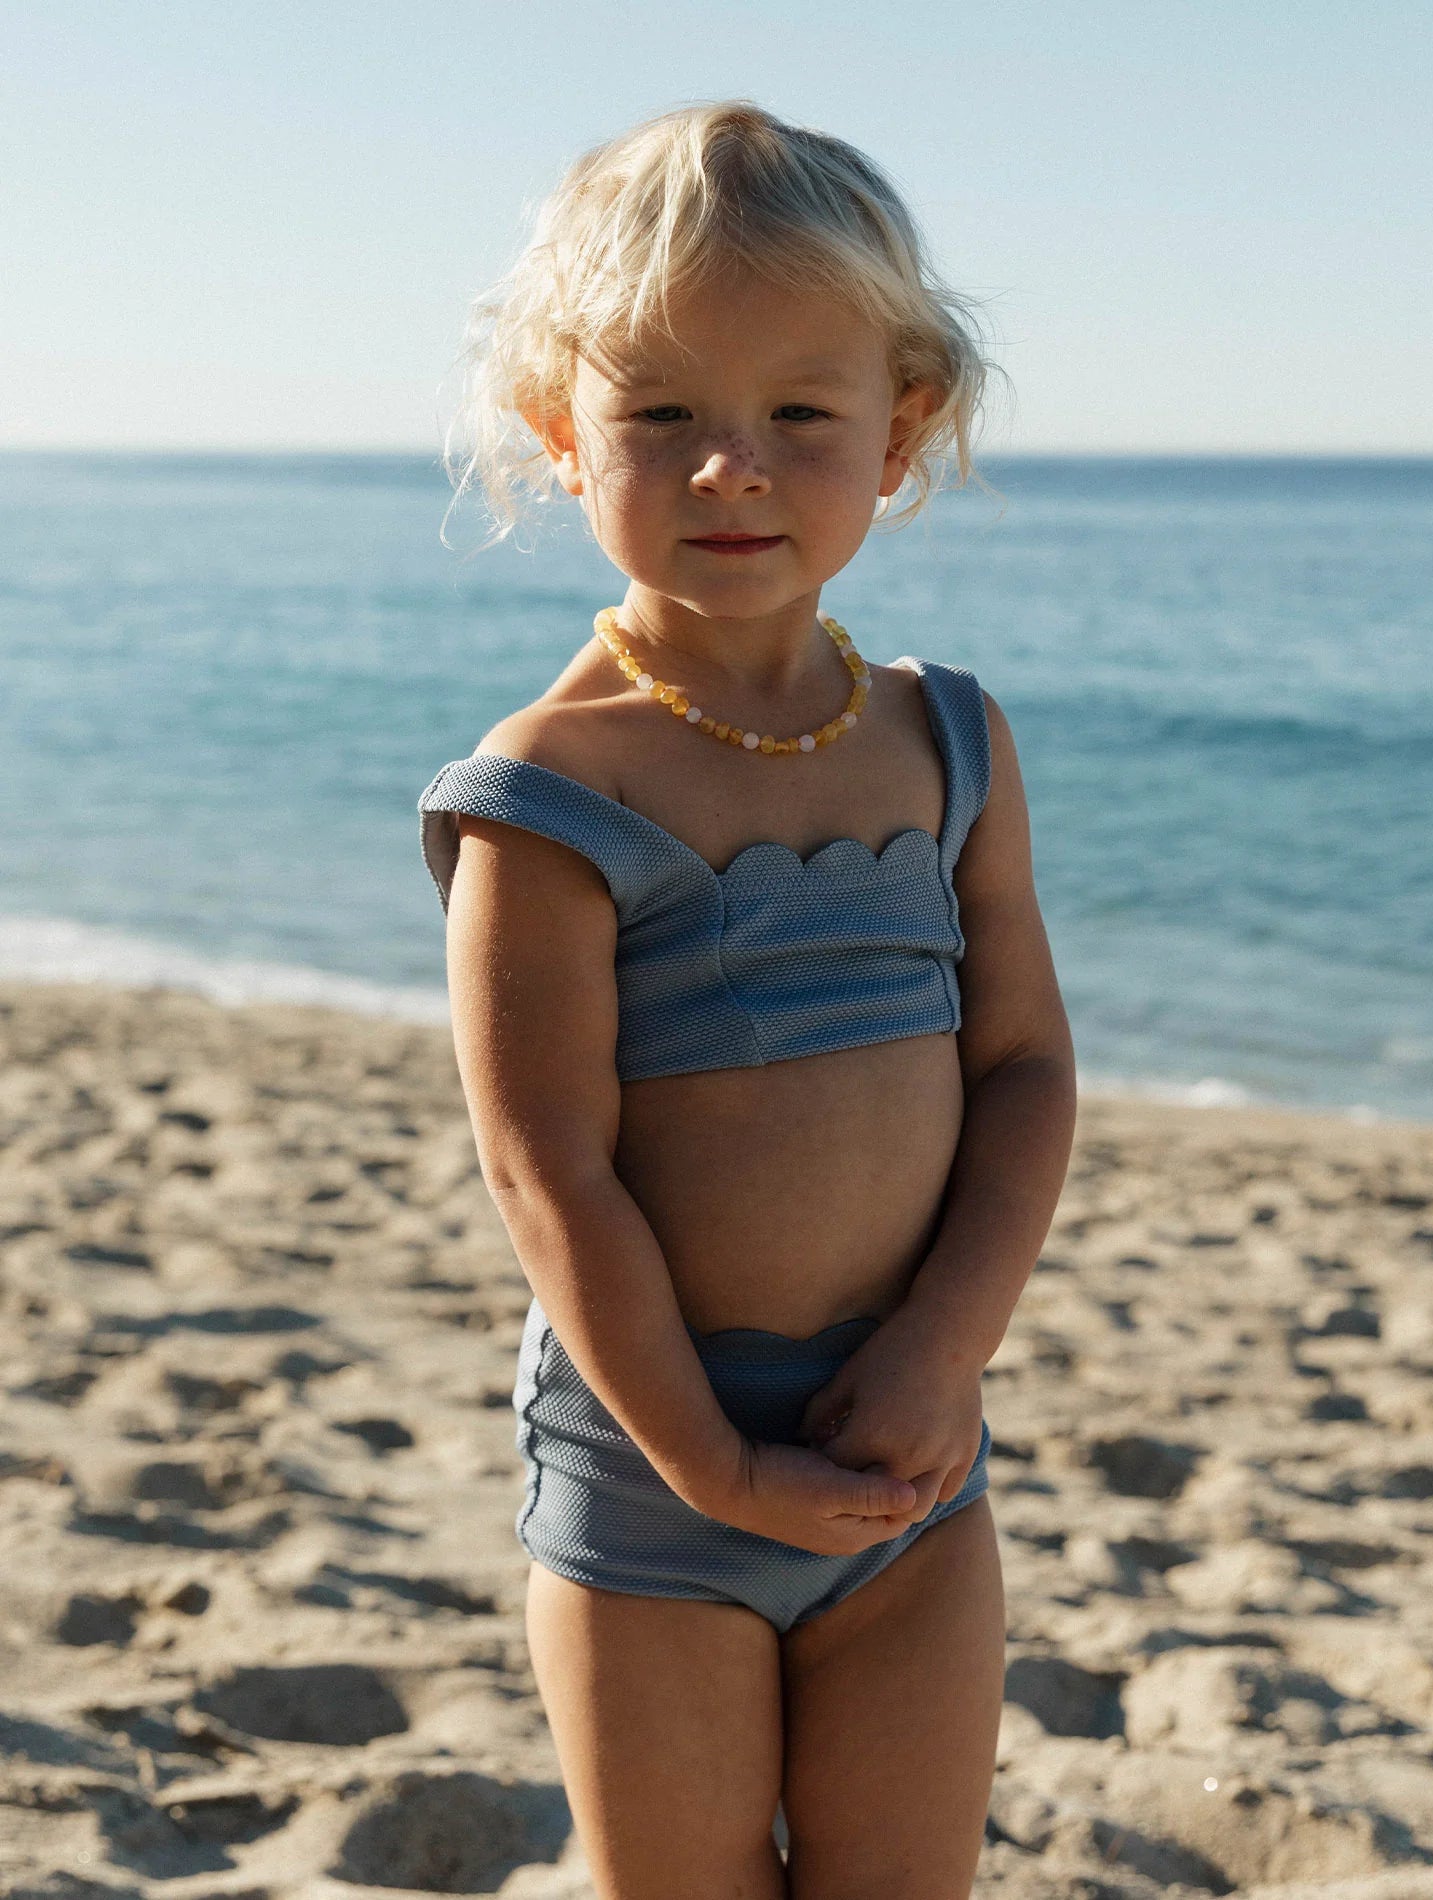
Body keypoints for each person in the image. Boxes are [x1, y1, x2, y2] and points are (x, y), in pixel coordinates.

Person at [417, 99, 1077, 1900]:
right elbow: (547, 1169)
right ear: (563, 434)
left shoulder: (950, 742)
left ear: (903, 429)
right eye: (662, 419)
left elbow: (1021, 1066)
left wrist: (946, 1347)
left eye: (800, 413)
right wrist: (711, 1465)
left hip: (904, 1457)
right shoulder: (550, 790)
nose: (734, 469)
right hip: (658, 1484)